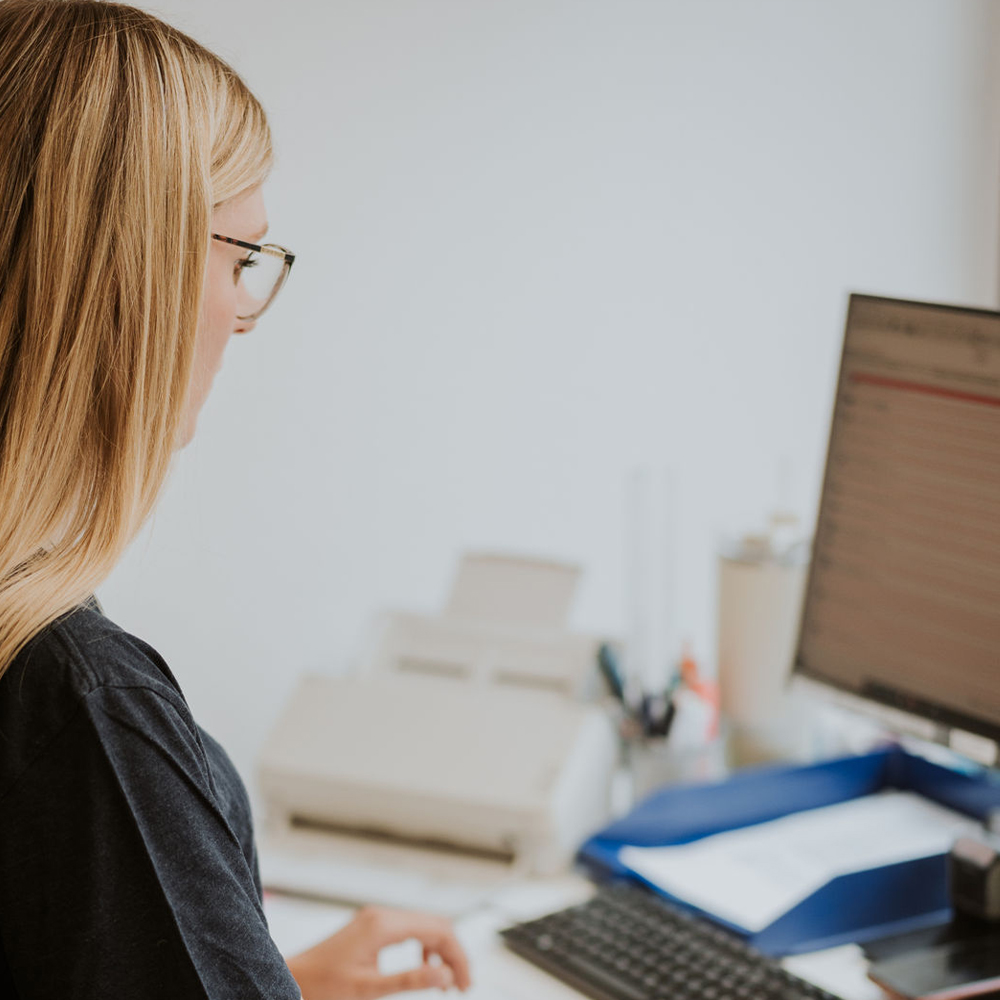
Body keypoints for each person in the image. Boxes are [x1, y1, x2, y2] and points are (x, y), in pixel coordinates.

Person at [0, 2, 472, 997]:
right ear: (132, 277)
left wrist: (262, 976)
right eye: (240, 258)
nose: (245, 315)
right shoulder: (86, 701)